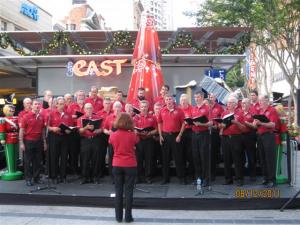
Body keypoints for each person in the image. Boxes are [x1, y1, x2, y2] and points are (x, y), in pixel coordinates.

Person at [109, 113, 139, 223]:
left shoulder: (113, 135)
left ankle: (118, 217)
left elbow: (111, 143)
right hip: (130, 164)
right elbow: (136, 142)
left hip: (117, 164)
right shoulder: (132, 135)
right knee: (129, 191)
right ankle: (128, 217)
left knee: (118, 191)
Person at [157, 94, 186, 184]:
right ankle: (165, 178)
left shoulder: (179, 110)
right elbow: (159, 123)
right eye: (167, 99)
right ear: (165, 101)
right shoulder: (162, 110)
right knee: (165, 159)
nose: (168, 101)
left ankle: (181, 178)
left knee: (178, 158)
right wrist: (160, 135)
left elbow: (183, 123)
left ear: (173, 100)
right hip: (165, 136)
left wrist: (180, 135)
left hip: (176, 136)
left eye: (170, 99)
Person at [253, 95, 278, 188]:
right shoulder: (260, 111)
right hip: (260, 136)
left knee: (270, 158)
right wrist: (255, 123)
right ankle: (265, 178)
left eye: (261, 100)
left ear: (267, 100)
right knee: (262, 158)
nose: (260, 102)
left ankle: (272, 179)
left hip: (268, 136)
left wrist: (261, 123)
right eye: (259, 100)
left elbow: (272, 124)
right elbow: (255, 126)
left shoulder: (272, 110)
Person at [19, 99, 47, 186]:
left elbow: (43, 130)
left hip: (38, 141)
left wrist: (44, 142)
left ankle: (36, 178)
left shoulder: (41, 117)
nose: (37, 106)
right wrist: (21, 143)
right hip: (29, 141)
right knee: (28, 161)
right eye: (35, 104)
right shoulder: (26, 116)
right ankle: (28, 179)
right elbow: (21, 130)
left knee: (38, 161)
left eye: (39, 104)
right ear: (32, 106)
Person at [219, 96, 245, 186]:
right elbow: (220, 125)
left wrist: (236, 122)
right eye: (228, 103)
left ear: (235, 104)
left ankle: (239, 179)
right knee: (226, 159)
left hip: (236, 138)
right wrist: (221, 126)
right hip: (225, 138)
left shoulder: (240, 113)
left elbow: (243, 128)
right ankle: (228, 179)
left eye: (230, 103)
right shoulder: (224, 113)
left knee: (237, 159)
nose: (228, 104)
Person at [47, 97, 73, 184]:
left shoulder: (68, 114)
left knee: (64, 157)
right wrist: (52, 128)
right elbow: (47, 126)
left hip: (65, 137)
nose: (62, 106)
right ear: (56, 104)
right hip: (54, 137)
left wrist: (68, 130)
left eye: (63, 104)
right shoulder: (51, 113)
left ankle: (63, 176)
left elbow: (70, 127)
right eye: (60, 104)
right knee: (54, 157)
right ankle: (54, 176)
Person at [77, 103, 102, 184]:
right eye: (87, 108)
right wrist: (86, 127)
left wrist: (98, 130)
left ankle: (95, 177)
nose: (89, 110)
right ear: (84, 109)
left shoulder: (98, 118)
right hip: (85, 140)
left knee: (96, 159)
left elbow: (101, 129)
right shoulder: (81, 118)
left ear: (93, 109)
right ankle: (85, 177)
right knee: (85, 159)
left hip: (95, 140)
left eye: (90, 108)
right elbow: (80, 131)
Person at [191, 91, 212, 186]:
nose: (196, 99)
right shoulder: (193, 108)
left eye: (198, 97)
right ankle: (198, 178)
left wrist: (201, 124)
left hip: (204, 134)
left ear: (202, 97)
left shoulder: (207, 108)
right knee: (196, 157)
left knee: (204, 157)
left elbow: (211, 123)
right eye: (195, 97)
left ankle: (206, 179)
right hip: (194, 134)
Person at [134, 100, 157, 184]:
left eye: (145, 107)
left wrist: (150, 133)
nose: (144, 108)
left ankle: (148, 177)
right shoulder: (136, 117)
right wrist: (137, 132)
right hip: (139, 141)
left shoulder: (153, 117)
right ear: (140, 107)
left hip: (149, 140)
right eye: (142, 107)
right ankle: (138, 177)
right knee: (138, 160)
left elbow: (156, 130)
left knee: (149, 159)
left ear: (148, 107)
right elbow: (133, 129)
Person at [103, 101, 123, 181]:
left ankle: (121, 175)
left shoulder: (124, 117)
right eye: (116, 107)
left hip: (122, 142)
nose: (117, 109)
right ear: (113, 108)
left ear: (121, 108)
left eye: (119, 107)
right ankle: (112, 176)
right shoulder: (109, 117)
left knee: (121, 158)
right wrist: (108, 132)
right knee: (112, 158)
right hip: (112, 141)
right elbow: (104, 129)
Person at [208, 93, 224, 180]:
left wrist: (217, 126)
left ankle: (213, 173)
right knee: (208, 153)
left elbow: (222, 120)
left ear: (216, 98)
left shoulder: (219, 107)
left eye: (212, 97)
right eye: (210, 97)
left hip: (215, 131)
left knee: (214, 152)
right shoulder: (206, 106)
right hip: (206, 132)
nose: (211, 98)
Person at [96, 97, 113, 179]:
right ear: (103, 104)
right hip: (102, 135)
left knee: (111, 154)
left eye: (109, 103)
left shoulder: (114, 113)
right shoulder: (99, 113)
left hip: (112, 135)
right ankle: (100, 172)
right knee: (101, 154)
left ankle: (111, 173)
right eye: (106, 103)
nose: (107, 105)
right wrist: (103, 130)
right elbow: (97, 125)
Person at [241, 98, 257, 181]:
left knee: (251, 156)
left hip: (250, 136)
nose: (243, 104)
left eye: (244, 103)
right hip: (240, 136)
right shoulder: (239, 113)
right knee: (241, 156)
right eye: (242, 103)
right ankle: (241, 175)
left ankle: (252, 175)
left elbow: (255, 126)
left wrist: (246, 123)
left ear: (249, 104)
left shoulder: (253, 112)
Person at [178, 94, 194, 179]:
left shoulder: (192, 109)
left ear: (188, 100)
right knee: (181, 154)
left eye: (185, 100)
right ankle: (182, 175)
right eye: (182, 100)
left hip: (190, 132)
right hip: (180, 132)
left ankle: (191, 174)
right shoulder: (178, 109)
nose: (183, 102)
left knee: (190, 154)